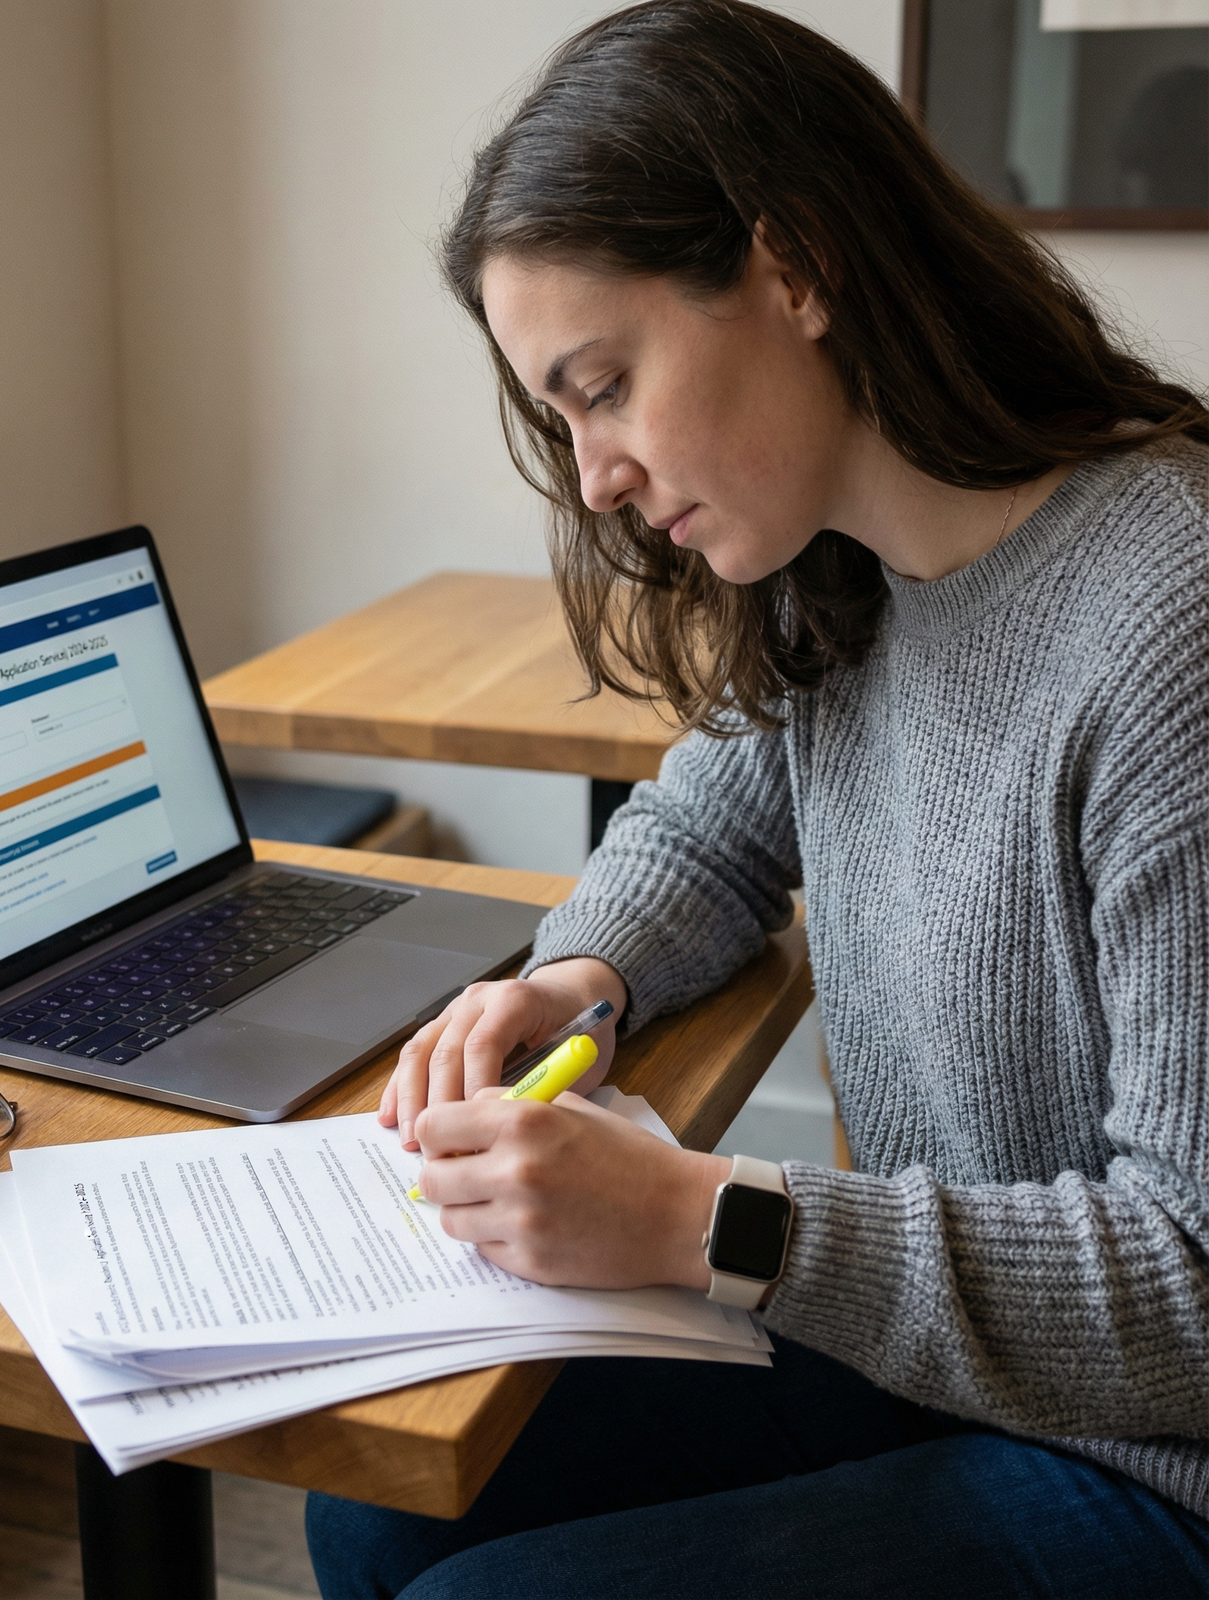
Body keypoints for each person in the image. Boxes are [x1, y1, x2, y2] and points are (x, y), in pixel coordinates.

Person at [303, 2, 1209, 1595]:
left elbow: (1196, 1288)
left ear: (794, 273)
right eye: (561, 414)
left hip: (1163, 1461)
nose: (592, 476)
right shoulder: (844, 574)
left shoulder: (1171, 621)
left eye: (603, 385)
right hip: (960, 1364)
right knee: (373, 1501)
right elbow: (711, 819)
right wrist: (583, 971)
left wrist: (714, 1219)